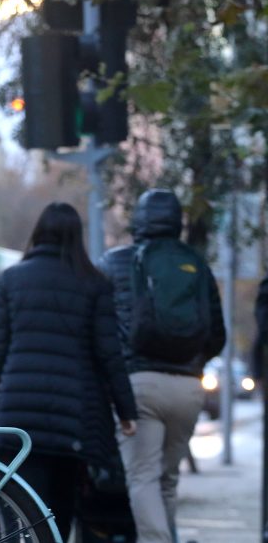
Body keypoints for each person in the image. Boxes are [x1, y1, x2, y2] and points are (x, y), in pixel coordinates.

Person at [0, 202, 138, 540]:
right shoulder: (95, 284)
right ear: (76, 238)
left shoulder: (11, 280)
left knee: (18, 509)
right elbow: (109, 354)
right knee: (58, 514)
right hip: (71, 421)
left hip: (15, 416)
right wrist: (127, 411)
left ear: (39, 233)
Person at [97, 189, 226, 543]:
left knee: (142, 477)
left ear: (139, 221)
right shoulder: (196, 265)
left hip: (139, 386)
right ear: (177, 222)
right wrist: (194, 362)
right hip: (188, 388)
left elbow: (100, 328)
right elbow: (216, 334)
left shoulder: (115, 261)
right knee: (167, 480)